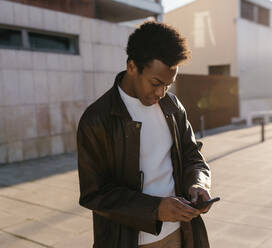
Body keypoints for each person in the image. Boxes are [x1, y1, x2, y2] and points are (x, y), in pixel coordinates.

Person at [77, 21, 212, 248]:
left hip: (180, 233)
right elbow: (94, 194)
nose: (161, 92)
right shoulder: (97, 119)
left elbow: (191, 154)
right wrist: (154, 209)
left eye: (168, 85)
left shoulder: (172, 106)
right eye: (156, 83)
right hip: (127, 241)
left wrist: (198, 183)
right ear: (132, 67)